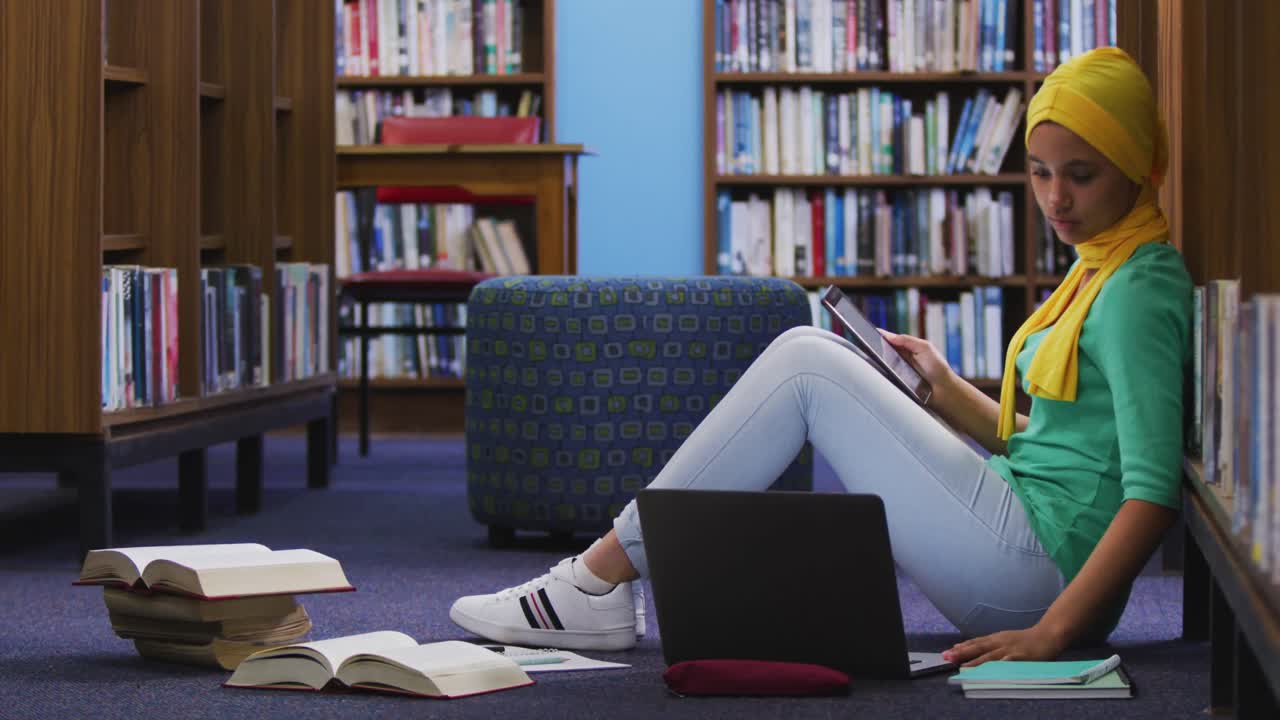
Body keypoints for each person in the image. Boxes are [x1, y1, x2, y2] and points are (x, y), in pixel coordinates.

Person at [449, 46, 1192, 667]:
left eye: (1081, 174)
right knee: (808, 356)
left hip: (1043, 576)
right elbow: (1072, 453)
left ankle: (594, 581)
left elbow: (1151, 493)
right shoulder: (1103, 259)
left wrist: (1054, 632)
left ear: (1133, 163)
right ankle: (598, 579)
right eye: (1038, 171)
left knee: (807, 360)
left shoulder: (1139, 285)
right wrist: (948, 393)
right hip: (1031, 531)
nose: (1055, 198)